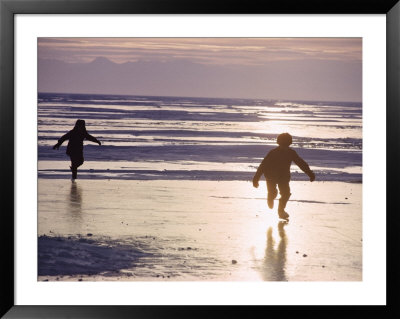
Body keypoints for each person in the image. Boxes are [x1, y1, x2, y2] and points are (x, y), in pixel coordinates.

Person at [253, 133, 315, 220]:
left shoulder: (291, 153)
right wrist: (256, 179)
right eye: (282, 145)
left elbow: (301, 163)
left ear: (289, 144)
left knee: (286, 194)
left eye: (286, 145)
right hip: (271, 176)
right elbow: (263, 166)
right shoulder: (273, 153)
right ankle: (271, 196)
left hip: (284, 177)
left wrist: (310, 173)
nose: (284, 148)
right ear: (278, 143)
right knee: (272, 192)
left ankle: (281, 211)